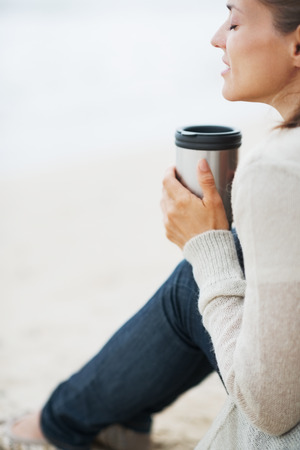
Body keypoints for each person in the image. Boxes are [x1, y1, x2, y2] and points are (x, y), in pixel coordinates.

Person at [1, 0, 300, 448]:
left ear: (297, 45)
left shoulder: (277, 168)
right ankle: (87, 419)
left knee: (196, 280)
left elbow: (271, 410)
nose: (217, 37)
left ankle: (60, 425)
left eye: (235, 20)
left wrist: (206, 247)